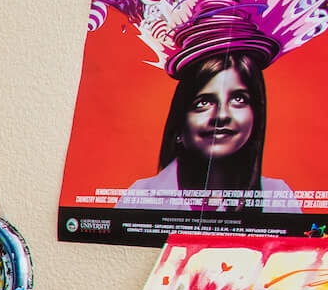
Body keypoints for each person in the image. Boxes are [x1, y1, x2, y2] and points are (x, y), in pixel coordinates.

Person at [117, 48, 297, 212]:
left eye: (238, 99)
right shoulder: (139, 197)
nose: (221, 115)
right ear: (180, 121)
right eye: (203, 102)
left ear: (256, 116)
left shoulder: (277, 196)